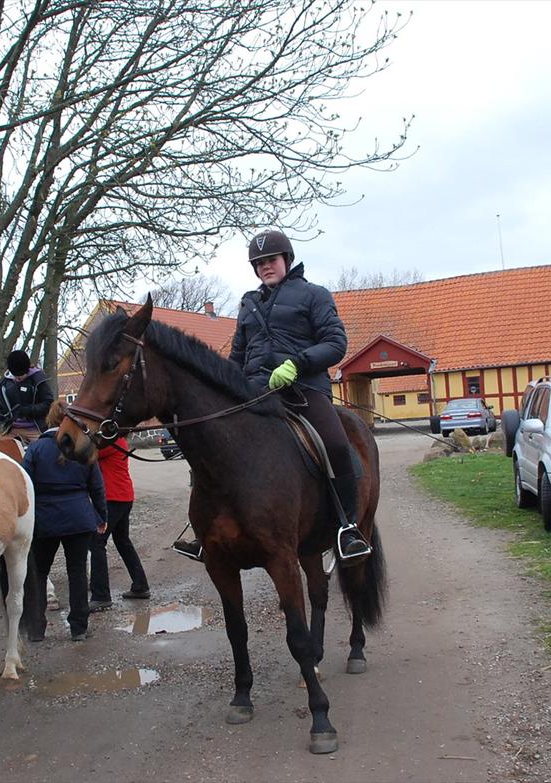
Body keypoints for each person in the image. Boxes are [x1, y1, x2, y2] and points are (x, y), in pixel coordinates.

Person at [171, 229, 372, 564]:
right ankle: (207, 531)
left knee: (336, 444)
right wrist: (223, 387)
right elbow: (237, 356)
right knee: (211, 444)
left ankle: (347, 528)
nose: (266, 266)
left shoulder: (314, 295)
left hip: (304, 390)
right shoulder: (248, 304)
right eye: (259, 262)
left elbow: (336, 342)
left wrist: (298, 363)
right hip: (253, 393)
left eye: (271, 260)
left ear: (286, 260)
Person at [22, 401, 108, 641]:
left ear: (50, 419)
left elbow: (24, 484)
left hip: (44, 518)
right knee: (78, 571)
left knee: (38, 573)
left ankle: (36, 628)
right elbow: (97, 486)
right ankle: (79, 627)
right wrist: (101, 515)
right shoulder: (84, 449)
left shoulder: (36, 450)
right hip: (79, 516)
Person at [88, 437, 150, 611]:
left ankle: (101, 596)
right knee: (123, 541)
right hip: (123, 496)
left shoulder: (110, 442)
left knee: (97, 542)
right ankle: (140, 585)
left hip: (112, 498)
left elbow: (88, 454)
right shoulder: (119, 440)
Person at [0, 349, 55, 441]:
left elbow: (49, 403)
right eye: (16, 375)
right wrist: (0, 416)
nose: (19, 378)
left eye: (22, 375)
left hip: (35, 429)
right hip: (12, 429)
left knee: (43, 449)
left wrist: (28, 410)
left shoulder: (38, 380)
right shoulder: (3, 386)